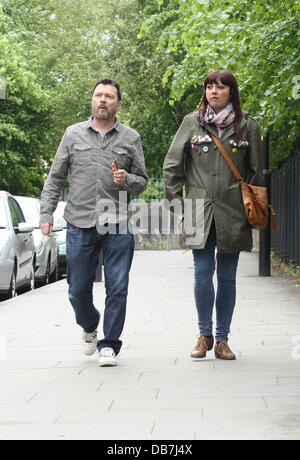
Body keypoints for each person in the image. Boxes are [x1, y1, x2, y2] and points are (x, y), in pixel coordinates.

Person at [39, 78, 148, 366]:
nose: (103, 100)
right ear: (92, 100)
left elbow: (142, 182)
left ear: (118, 104)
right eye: (98, 95)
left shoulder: (130, 138)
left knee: (118, 286)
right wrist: (46, 214)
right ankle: (89, 324)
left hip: (118, 223)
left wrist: (128, 180)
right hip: (79, 222)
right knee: (77, 289)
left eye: (109, 96)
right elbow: (56, 177)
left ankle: (109, 344)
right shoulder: (73, 134)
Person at [163, 70, 264, 360]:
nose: (213, 92)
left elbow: (256, 173)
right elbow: (172, 164)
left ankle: (222, 339)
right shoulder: (191, 123)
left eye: (220, 87)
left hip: (234, 212)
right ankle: (204, 334)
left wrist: (253, 208)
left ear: (231, 92)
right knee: (203, 272)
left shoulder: (248, 127)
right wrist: (176, 204)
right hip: (198, 209)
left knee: (228, 276)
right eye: (209, 87)